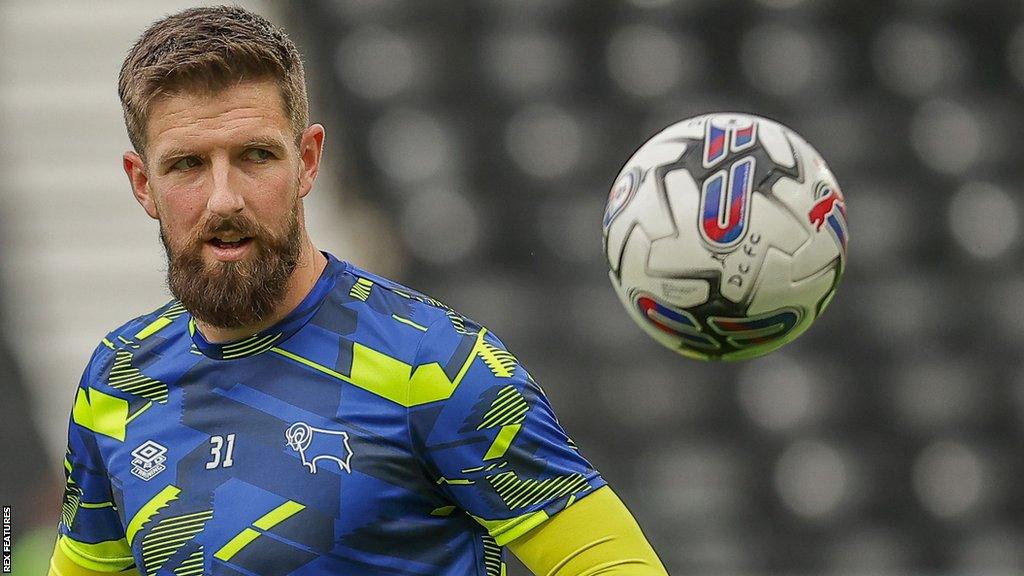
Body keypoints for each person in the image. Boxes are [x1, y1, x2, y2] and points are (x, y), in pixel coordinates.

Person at [47, 6, 667, 576]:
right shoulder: (116, 382)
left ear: (309, 160)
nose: (224, 199)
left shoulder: (436, 364)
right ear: (141, 182)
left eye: (256, 156)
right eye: (186, 165)